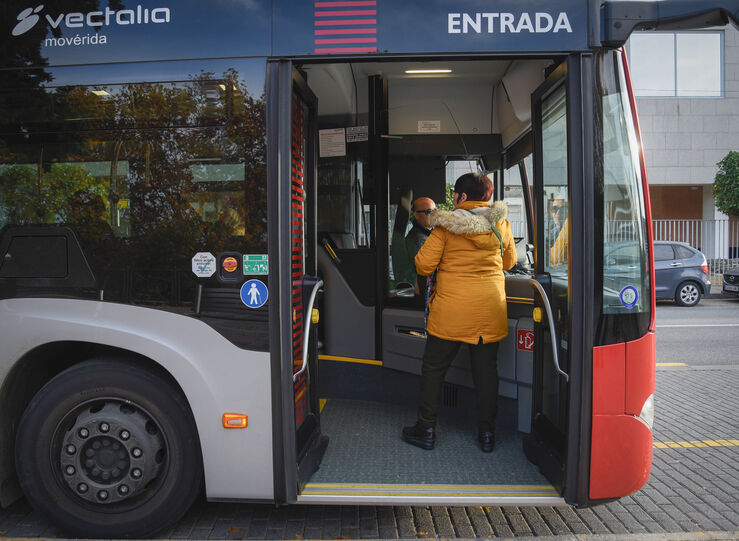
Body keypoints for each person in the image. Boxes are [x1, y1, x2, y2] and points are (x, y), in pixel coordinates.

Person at [402, 172, 517, 453]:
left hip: (452, 312)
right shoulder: (501, 224)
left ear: (462, 197)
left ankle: (426, 429)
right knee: (486, 373)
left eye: (455, 193)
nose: (452, 198)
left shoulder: (445, 228)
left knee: (434, 369)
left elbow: (423, 266)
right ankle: (486, 435)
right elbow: (510, 262)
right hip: (489, 311)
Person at [405, 197, 436, 287]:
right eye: (429, 212)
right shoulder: (417, 240)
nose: (434, 215)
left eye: (435, 211)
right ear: (416, 215)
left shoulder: (431, 234)